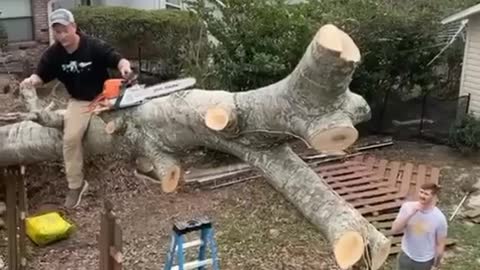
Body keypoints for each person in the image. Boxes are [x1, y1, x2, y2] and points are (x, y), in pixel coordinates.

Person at [20, 8, 132, 209]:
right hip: (79, 101)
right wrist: (30, 81)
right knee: (70, 139)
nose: (61, 35)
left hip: (106, 97)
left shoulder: (93, 46)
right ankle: (76, 185)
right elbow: (41, 76)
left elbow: (117, 58)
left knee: (130, 126)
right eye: (57, 31)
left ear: (74, 27)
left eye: (64, 30)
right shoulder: (53, 55)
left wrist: (124, 67)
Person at [391, 183, 448, 270]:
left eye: (426, 194)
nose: (422, 196)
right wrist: (410, 214)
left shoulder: (439, 218)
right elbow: (395, 230)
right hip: (406, 254)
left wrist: (436, 265)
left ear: (433, 196)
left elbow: (440, 244)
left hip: (424, 261)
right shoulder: (407, 207)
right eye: (421, 192)